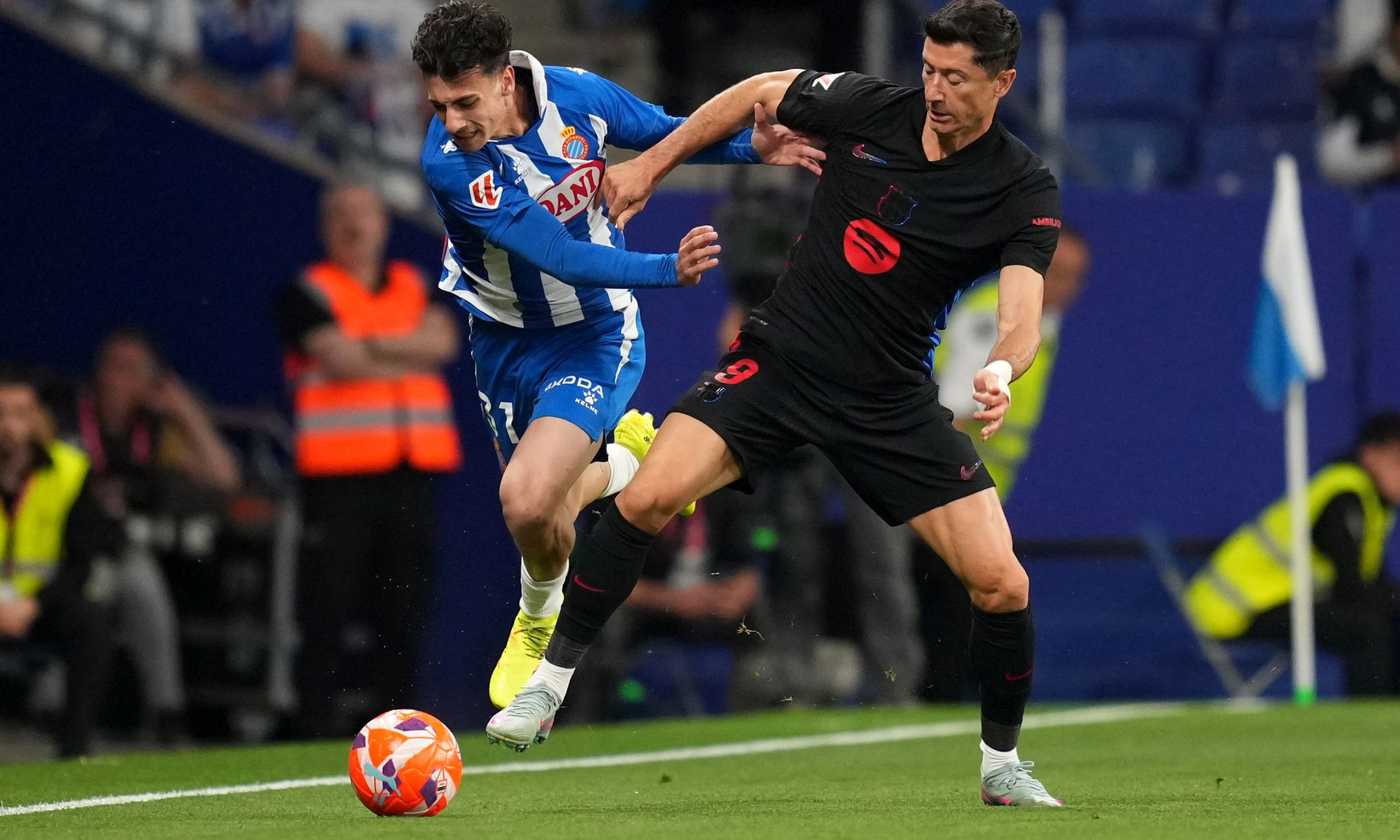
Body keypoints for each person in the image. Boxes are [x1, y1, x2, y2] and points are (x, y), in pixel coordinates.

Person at [490, 0, 1064, 808]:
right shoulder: (869, 107)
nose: (935, 90)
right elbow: (759, 90)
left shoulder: (1021, 185)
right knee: (650, 496)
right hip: (780, 363)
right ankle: (547, 687)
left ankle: (1001, 765)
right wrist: (651, 165)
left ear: (1002, 82)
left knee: (1003, 584)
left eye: (957, 79)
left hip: (887, 399)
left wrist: (1003, 370)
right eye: (930, 69)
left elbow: (1021, 318)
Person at [410, 0, 823, 710]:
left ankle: (536, 623)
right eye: (438, 105)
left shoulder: (579, 98)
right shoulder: (449, 164)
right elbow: (558, 253)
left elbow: (663, 133)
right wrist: (669, 269)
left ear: (505, 81)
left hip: (596, 333)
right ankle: (628, 463)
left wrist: (752, 148)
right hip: (505, 344)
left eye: (464, 102)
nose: (451, 122)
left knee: (526, 496)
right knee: (539, 517)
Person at [278, 181, 461, 737]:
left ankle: (398, 730)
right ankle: (312, 726)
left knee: (404, 611)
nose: (354, 226)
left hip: (412, 474)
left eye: (364, 214)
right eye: (340, 215)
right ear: (323, 226)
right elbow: (337, 360)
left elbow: (443, 344)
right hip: (339, 478)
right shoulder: (305, 292)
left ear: (384, 222)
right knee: (326, 607)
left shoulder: (414, 283)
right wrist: (404, 349)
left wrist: (369, 344)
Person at [64, 329, 240, 741]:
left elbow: (225, 477)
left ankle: (166, 711)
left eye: (131, 371)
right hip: (65, 550)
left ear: (151, 382)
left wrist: (184, 411)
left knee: (138, 579)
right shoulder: (69, 418)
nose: (116, 380)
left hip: (122, 551)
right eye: (111, 367)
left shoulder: (159, 431)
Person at [1185, 413, 1400, 695]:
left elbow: (1372, 583)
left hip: (1275, 602)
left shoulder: (1375, 505)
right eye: (1397, 463)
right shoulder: (1344, 497)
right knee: (1366, 628)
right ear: (1370, 456)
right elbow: (1351, 588)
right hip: (1236, 611)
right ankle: (1370, 715)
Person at [0, 365, 120, 758]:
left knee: (92, 622)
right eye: (1, 413)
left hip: (38, 605)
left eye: (20, 413)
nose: (9, 426)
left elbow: (81, 561)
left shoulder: (69, 470)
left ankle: (73, 752)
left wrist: (31, 605)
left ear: (37, 418)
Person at [937, 227, 1090, 499]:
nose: (1063, 285)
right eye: (1055, 271)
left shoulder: (1046, 321)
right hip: (946, 490)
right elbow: (952, 415)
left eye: (1073, 278)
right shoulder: (993, 318)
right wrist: (959, 499)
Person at [1319, 4, 1400, 188]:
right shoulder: (1362, 81)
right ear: (1393, 29)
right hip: (1378, 204)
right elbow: (1332, 159)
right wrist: (1387, 158)